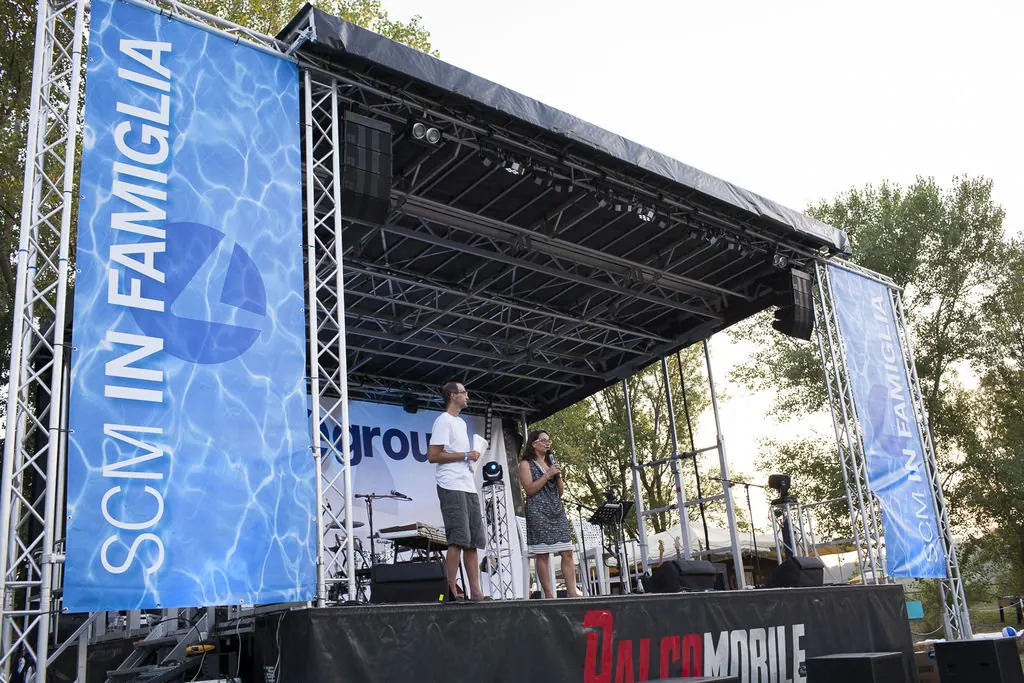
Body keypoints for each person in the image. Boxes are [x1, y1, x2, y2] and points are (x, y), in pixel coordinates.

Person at [427, 381, 487, 601]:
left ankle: (476, 591)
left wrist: (471, 457)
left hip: (467, 484)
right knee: (458, 538)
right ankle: (449, 589)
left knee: (473, 540)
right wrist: (465, 455)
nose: (467, 396)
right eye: (464, 393)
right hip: (450, 484)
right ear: (453, 395)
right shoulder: (443, 420)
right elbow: (433, 455)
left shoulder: (460, 423)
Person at [518, 430, 581, 598]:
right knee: (543, 554)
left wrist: (558, 476)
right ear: (534, 444)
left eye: (549, 440)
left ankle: (572, 592)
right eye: (543, 440)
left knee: (567, 551)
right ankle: (548, 594)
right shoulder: (525, 464)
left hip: (556, 510)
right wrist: (547, 475)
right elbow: (529, 490)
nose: (547, 443)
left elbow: (560, 492)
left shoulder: (551, 462)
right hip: (538, 511)